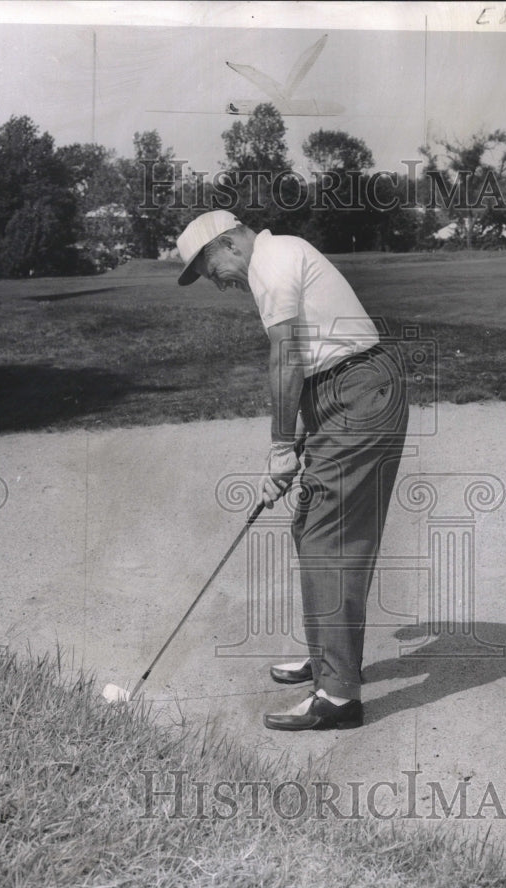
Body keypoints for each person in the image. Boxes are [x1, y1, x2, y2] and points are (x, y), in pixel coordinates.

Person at [176, 210, 408, 731]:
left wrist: (282, 448)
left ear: (228, 245)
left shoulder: (272, 260)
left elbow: (285, 358)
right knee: (312, 528)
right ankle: (329, 657)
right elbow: (309, 361)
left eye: (211, 272)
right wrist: (302, 435)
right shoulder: (275, 257)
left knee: (331, 538)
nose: (218, 286)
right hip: (343, 391)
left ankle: (339, 697)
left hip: (357, 392)